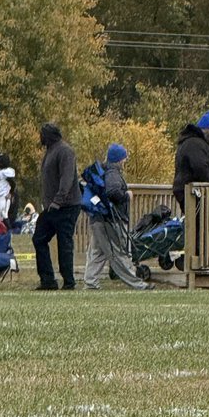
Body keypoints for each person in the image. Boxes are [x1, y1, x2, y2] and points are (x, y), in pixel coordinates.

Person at [83, 143, 153, 292]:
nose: (125, 161)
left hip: (97, 219)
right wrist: (126, 195)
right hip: (110, 221)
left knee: (97, 252)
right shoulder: (113, 174)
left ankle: (90, 283)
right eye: (124, 158)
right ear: (119, 159)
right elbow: (113, 192)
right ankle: (138, 284)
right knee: (119, 253)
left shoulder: (103, 172)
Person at [32, 123, 81, 291]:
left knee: (64, 243)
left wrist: (58, 201)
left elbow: (66, 179)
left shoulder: (65, 151)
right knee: (39, 239)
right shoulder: (51, 151)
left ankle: (68, 282)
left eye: (42, 134)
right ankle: (48, 280)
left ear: (48, 136)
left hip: (66, 206)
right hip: (52, 207)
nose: (40, 138)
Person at [173, 110, 209, 213]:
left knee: (196, 221)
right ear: (205, 129)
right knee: (198, 221)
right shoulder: (195, 144)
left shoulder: (192, 142)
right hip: (195, 194)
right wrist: (208, 188)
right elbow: (200, 167)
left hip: (194, 193)